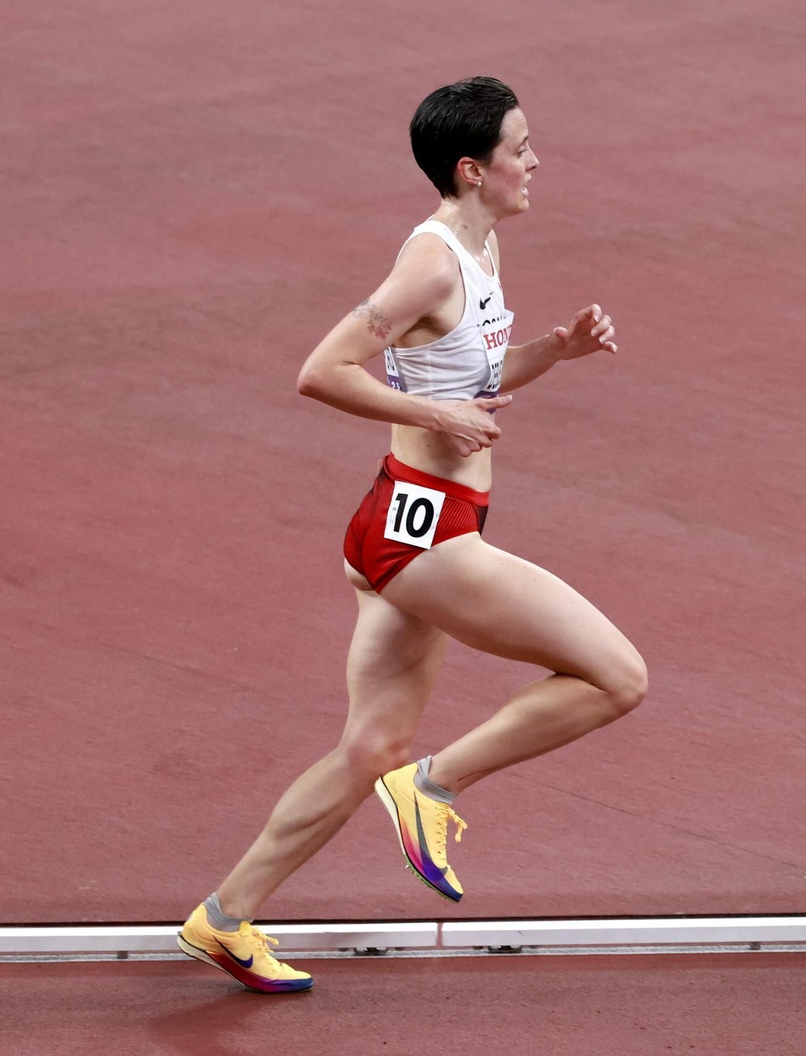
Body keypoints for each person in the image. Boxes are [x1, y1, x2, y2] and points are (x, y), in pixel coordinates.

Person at [178, 76, 646, 993]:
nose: (536, 160)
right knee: (618, 677)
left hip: (406, 518)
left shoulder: (483, 244)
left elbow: (472, 374)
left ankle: (224, 918)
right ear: (472, 170)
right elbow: (322, 370)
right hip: (425, 534)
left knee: (367, 749)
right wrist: (428, 407)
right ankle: (436, 786)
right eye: (521, 147)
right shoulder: (431, 261)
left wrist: (556, 351)